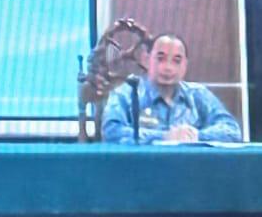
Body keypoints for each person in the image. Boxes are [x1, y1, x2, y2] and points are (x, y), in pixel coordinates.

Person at [101, 34, 241, 144]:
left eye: (176, 61)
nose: (168, 67)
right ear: (146, 60)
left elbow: (232, 130)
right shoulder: (126, 93)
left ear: (185, 65)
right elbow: (111, 132)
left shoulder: (198, 94)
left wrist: (196, 135)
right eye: (160, 58)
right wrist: (164, 136)